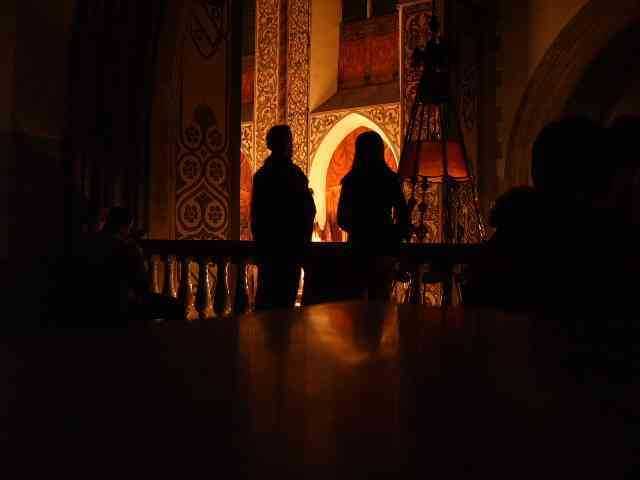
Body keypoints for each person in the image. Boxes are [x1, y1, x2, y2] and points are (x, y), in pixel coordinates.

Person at [337, 131, 409, 300]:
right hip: (384, 248)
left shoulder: (351, 181)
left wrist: (359, 228)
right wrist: (393, 234)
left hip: (358, 248)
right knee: (380, 302)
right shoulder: (390, 179)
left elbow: (342, 218)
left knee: (357, 305)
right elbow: (403, 213)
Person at [251, 125, 316, 310]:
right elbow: (307, 211)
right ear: (285, 144)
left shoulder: (261, 176)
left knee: (266, 303)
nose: (292, 145)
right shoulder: (294, 175)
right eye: (290, 141)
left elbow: (257, 216)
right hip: (290, 251)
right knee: (284, 306)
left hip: (268, 250)